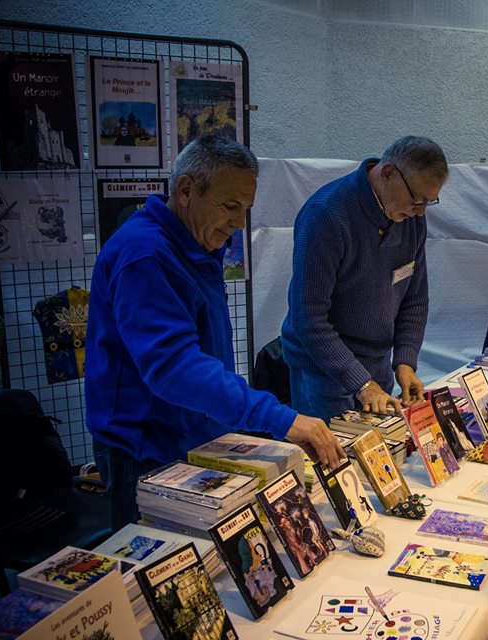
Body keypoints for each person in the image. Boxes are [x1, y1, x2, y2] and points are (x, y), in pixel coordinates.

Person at [85, 135, 344, 530]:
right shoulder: (146, 255)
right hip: (144, 445)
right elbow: (174, 368)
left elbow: (204, 355)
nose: (239, 222)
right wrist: (280, 418)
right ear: (186, 190)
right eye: (230, 206)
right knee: (158, 569)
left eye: (246, 209)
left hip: (192, 430)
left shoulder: (193, 243)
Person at [281, 136, 448, 421]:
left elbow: (415, 299)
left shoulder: (411, 219)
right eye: (416, 199)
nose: (420, 212)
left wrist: (406, 362)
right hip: (323, 371)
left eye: (428, 202)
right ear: (388, 174)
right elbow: (308, 319)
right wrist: (362, 383)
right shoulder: (326, 216)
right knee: (335, 461)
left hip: (376, 367)